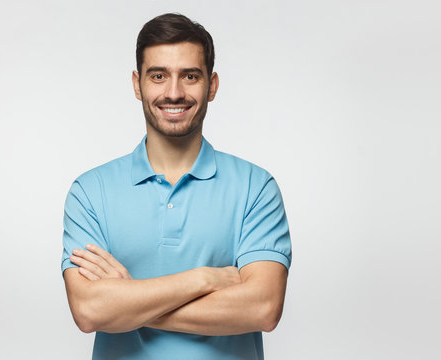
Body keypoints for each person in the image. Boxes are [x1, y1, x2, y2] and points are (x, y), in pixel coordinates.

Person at [61, 13, 292, 360]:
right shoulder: (90, 192)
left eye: (190, 76)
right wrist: (204, 280)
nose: (174, 93)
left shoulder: (256, 188)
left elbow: (263, 308)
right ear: (137, 84)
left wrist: (128, 300)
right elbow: (90, 311)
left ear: (211, 86)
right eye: (158, 76)